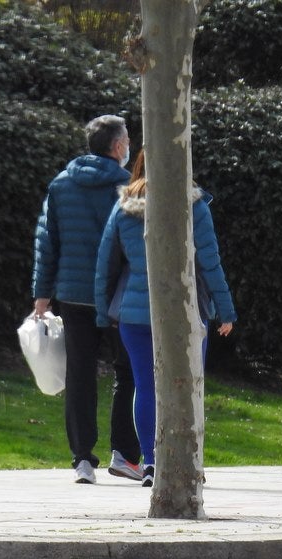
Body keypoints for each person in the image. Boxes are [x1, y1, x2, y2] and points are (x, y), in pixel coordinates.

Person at [94, 148, 236, 486]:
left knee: (145, 385)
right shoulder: (194, 205)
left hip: (135, 314)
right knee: (189, 388)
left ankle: (151, 463)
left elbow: (106, 263)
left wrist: (103, 312)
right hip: (185, 311)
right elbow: (209, 263)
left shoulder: (124, 205)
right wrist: (225, 310)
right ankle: (189, 463)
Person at [32, 114, 143, 485]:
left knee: (79, 374)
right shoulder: (128, 186)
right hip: (118, 297)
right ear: (117, 147)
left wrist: (42, 295)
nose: (129, 146)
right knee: (128, 372)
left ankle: (82, 458)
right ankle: (125, 454)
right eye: (127, 140)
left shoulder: (61, 185)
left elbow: (47, 243)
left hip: (73, 293)